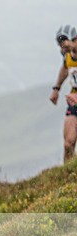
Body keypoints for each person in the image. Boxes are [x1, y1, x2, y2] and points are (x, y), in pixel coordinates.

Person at [50, 25, 77, 163]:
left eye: (63, 41)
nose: (61, 46)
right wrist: (56, 89)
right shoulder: (68, 56)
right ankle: (68, 175)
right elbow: (66, 68)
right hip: (74, 102)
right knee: (68, 143)